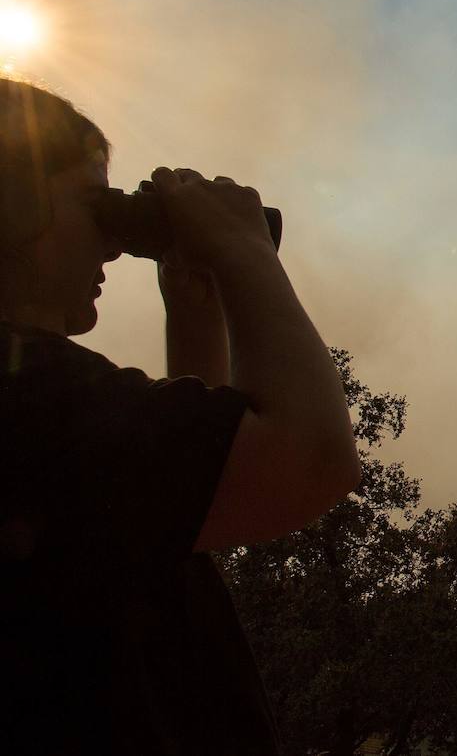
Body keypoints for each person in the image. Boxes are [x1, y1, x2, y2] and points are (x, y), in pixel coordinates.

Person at [0, 78, 359, 754]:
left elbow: (179, 514)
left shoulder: (33, 400)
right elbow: (308, 458)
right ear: (13, 205)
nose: (114, 244)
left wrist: (197, 310)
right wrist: (241, 249)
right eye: (94, 205)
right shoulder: (27, 394)